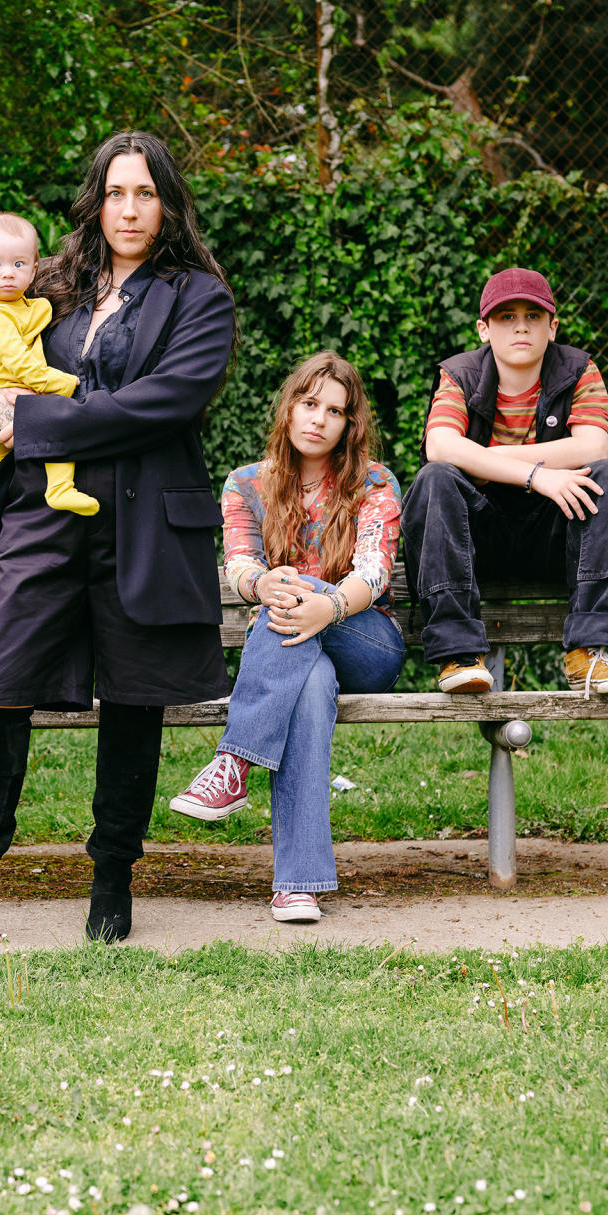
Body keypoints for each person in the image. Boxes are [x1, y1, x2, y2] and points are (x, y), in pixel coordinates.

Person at [0, 130, 235, 946]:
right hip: (39, 521)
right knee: (0, 689)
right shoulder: (49, 282)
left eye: (145, 193)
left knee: (132, 700)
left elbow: (165, 401)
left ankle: (112, 882)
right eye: (116, 192)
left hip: (145, 524)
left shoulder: (199, 296)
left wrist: (39, 416)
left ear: (167, 204)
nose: (129, 209)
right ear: (96, 199)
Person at [167, 353, 404, 923]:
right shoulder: (247, 484)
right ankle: (298, 885)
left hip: (365, 639)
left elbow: (375, 571)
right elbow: (240, 565)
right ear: (289, 406)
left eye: (335, 411)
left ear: (351, 424)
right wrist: (261, 582)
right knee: (310, 686)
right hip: (296, 646)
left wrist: (325, 603)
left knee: (294, 597)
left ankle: (233, 762)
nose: (319, 419)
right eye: (309, 403)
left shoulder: (374, 482)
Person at [401, 266, 608, 697]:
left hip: (555, 537)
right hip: (475, 540)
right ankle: (459, 655)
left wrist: (483, 459)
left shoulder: (578, 369)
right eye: (506, 317)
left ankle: (592, 653)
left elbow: (593, 448)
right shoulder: (459, 375)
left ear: (552, 327)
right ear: (484, 328)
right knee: (435, 479)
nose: (521, 327)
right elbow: (441, 447)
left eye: (533, 316)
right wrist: (538, 475)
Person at [0, 211, 98, 524]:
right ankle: (59, 486)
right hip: (16, 389)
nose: (7, 274)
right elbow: (21, 363)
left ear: (34, 269)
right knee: (59, 425)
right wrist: (63, 384)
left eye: (18, 264)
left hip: (4, 390)